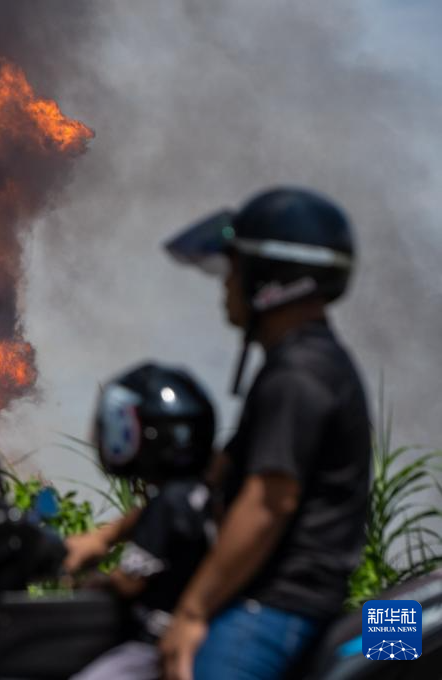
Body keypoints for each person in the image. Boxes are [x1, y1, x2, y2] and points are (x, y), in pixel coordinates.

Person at [67, 187, 371, 680]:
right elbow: (214, 480)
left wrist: (192, 613)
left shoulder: (300, 375)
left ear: (269, 279)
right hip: (272, 596)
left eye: (234, 270)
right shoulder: (297, 364)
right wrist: (106, 535)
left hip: (278, 604)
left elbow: (268, 502)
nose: (225, 286)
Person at [67, 362, 218, 680]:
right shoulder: (200, 493)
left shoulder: (167, 504)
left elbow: (130, 581)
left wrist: (93, 580)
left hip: (151, 645)